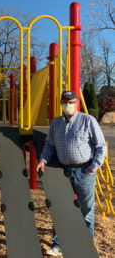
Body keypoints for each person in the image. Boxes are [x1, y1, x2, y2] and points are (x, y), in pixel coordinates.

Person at [36, 90, 107, 256]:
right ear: (61, 103)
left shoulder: (88, 120)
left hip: (84, 171)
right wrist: (43, 160)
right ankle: (58, 244)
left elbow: (101, 147)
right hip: (64, 171)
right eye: (65, 101)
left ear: (77, 103)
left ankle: (85, 245)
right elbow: (49, 146)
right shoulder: (56, 123)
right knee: (61, 208)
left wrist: (93, 167)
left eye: (71, 101)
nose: (67, 105)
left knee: (86, 210)